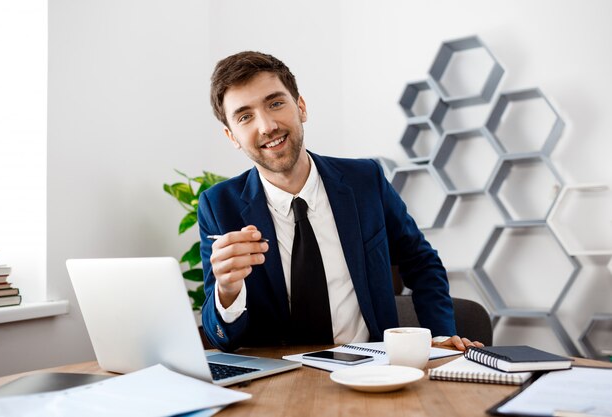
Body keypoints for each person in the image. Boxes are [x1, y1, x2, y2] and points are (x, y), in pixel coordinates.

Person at [198, 51, 483, 352]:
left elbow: (421, 262)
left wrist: (438, 336)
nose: (267, 125)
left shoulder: (365, 181)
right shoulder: (219, 206)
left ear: (301, 107)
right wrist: (227, 291)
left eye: (275, 103)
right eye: (245, 116)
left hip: (370, 369)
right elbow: (220, 338)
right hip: (278, 381)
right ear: (232, 136)